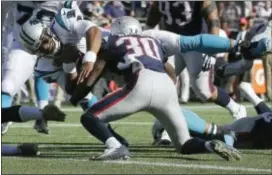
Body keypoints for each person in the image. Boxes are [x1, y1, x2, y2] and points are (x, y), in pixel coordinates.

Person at [68, 16, 242, 161]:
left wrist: (76, 96)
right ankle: (209, 145)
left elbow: (94, 73)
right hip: (165, 85)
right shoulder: (153, 41)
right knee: (184, 144)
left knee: (90, 117)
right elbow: (170, 70)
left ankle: (115, 146)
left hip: (141, 82)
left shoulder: (112, 40)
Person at [145, 1, 248, 120]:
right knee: (164, 83)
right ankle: (168, 126)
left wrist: (211, 51)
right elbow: (153, 17)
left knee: (204, 91)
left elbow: (213, 20)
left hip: (195, 42)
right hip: (172, 43)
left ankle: (236, 108)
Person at [1, 1, 81, 135]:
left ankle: (110, 137)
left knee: (81, 93)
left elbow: (78, 26)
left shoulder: (64, 3)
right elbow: (4, 19)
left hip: (53, 44)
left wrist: (76, 52)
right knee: (7, 85)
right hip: (22, 44)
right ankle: (3, 118)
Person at [152, 106, 272, 149]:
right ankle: (167, 121)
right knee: (221, 139)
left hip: (256, 128)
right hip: (247, 130)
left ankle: (171, 122)